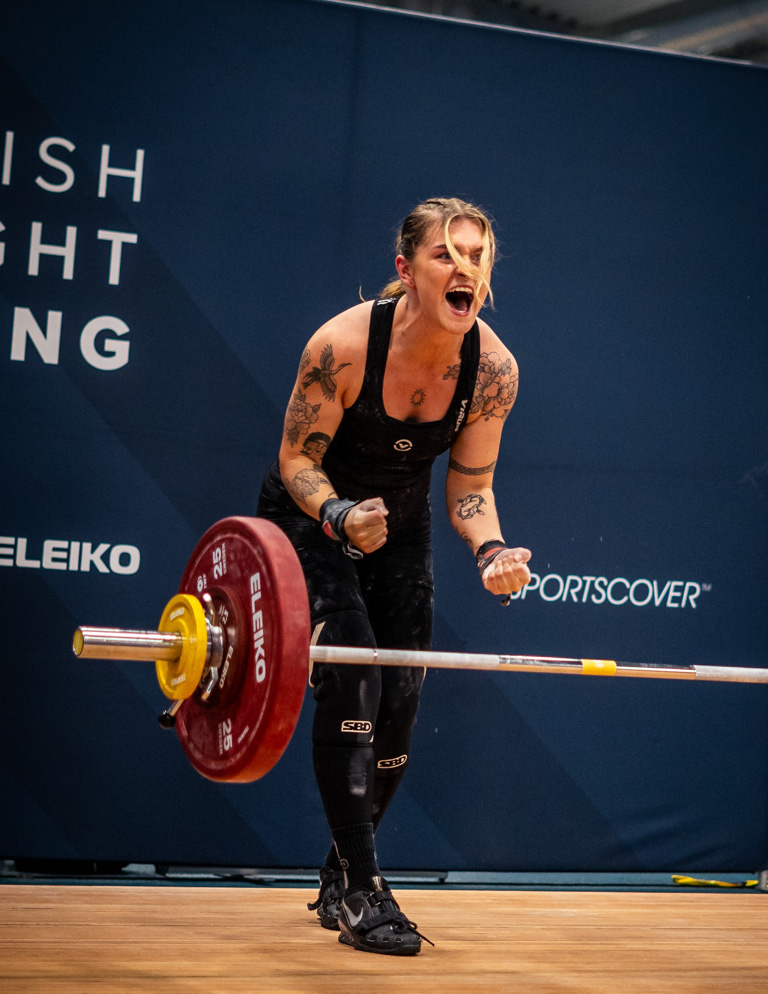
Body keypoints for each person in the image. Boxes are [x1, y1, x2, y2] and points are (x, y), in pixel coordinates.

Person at [257, 198, 532, 954]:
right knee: (354, 679)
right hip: (311, 519)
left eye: (477, 255)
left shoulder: (494, 370)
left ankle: (340, 873)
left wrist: (492, 551)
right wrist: (339, 514)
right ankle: (363, 892)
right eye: (447, 254)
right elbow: (297, 459)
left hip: (400, 530)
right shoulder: (342, 346)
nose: (466, 267)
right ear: (406, 270)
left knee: (401, 705)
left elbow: (471, 486)